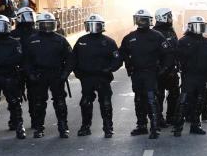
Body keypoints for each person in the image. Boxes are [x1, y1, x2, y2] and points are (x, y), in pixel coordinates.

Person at [70, 13, 123, 138]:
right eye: (91, 25)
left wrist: (109, 69)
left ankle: (108, 127)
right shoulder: (82, 41)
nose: (94, 28)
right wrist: (78, 73)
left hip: (103, 77)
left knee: (105, 103)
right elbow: (73, 59)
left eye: (96, 25)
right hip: (87, 78)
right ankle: (85, 126)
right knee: (85, 102)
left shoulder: (108, 42)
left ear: (102, 26)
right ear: (87, 26)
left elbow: (117, 60)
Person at [120, 8, 169, 139]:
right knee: (138, 99)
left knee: (151, 99)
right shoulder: (130, 37)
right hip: (136, 73)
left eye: (144, 19)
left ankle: (154, 127)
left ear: (149, 21)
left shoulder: (157, 36)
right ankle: (141, 125)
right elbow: (122, 53)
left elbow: (167, 54)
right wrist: (127, 63)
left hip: (151, 72)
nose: (141, 22)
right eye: (139, 19)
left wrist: (163, 68)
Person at [23, 12, 72, 138]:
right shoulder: (32, 40)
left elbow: (70, 59)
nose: (46, 27)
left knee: (60, 102)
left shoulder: (60, 39)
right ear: (38, 25)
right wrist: (30, 74)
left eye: (49, 24)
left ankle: (63, 127)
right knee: (39, 102)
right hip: (39, 75)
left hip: (56, 74)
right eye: (44, 24)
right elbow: (26, 60)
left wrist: (65, 73)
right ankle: (39, 128)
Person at [175, 15, 207, 137]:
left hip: (202, 77)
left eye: (201, 26)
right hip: (189, 76)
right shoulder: (183, 41)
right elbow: (177, 57)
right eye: (196, 26)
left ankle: (195, 125)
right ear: (190, 27)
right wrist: (180, 68)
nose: (199, 29)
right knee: (183, 101)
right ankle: (178, 127)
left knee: (199, 101)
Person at [154, 8, 181, 127]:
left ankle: (171, 117)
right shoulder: (154, 33)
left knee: (174, 94)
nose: (171, 19)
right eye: (169, 16)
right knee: (158, 95)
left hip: (172, 70)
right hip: (159, 70)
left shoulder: (171, 31)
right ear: (163, 17)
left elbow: (176, 49)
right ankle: (158, 118)